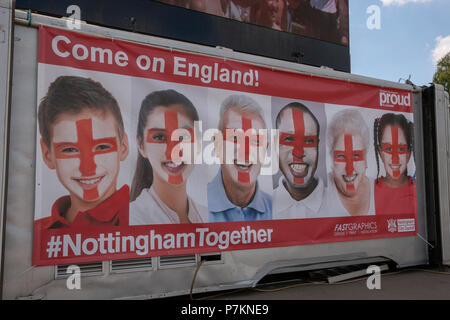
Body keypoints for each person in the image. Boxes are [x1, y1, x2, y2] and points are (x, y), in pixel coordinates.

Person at [35, 76, 130, 229]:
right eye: (70, 149)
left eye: (102, 147)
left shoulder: (147, 220)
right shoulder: (35, 235)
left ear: (123, 147)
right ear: (47, 155)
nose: (88, 168)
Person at [130, 89, 205, 225]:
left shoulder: (209, 216)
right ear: (141, 145)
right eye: (159, 137)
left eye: (183, 137)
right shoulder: (131, 220)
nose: (173, 152)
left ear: (199, 144)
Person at [208, 94, 272, 222]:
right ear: (217, 144)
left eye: (255, 140)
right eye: (235, 138)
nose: (245, 151)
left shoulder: (276, 208)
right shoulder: (195, 205)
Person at [273, 102, 326, 219]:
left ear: (318, 146)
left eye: (308, 141)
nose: (299, 153)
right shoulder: (266, 206)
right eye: (288, 139)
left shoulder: (338, 203)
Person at [324, 109, 374, 216]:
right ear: (331, 159)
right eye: (341, 156)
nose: (349, 170)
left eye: (356, 155)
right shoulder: (320, 193)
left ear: (365, 160)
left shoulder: (381, 191)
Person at [373, 113, 417, 215]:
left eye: (401, 149)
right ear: (380, 153)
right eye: (388, 148)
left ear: (409, 153)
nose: (395, 158)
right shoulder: (369, 190)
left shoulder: (417, 189)